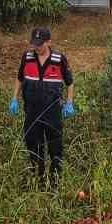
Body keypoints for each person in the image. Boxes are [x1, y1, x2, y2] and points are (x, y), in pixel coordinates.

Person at [10, 26, 75, 187]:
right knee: (34, 146)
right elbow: (19, 78)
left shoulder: (59, 59)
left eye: (40, 44)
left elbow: (69, 83)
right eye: (34, 44)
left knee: (55, 149)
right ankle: (37, 179)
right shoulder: (27, 57)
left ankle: (55, 183)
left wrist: (69, 103)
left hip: (52, 113)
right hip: (32, 112)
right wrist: (14, 99)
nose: (37, 47)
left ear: (49, 42)